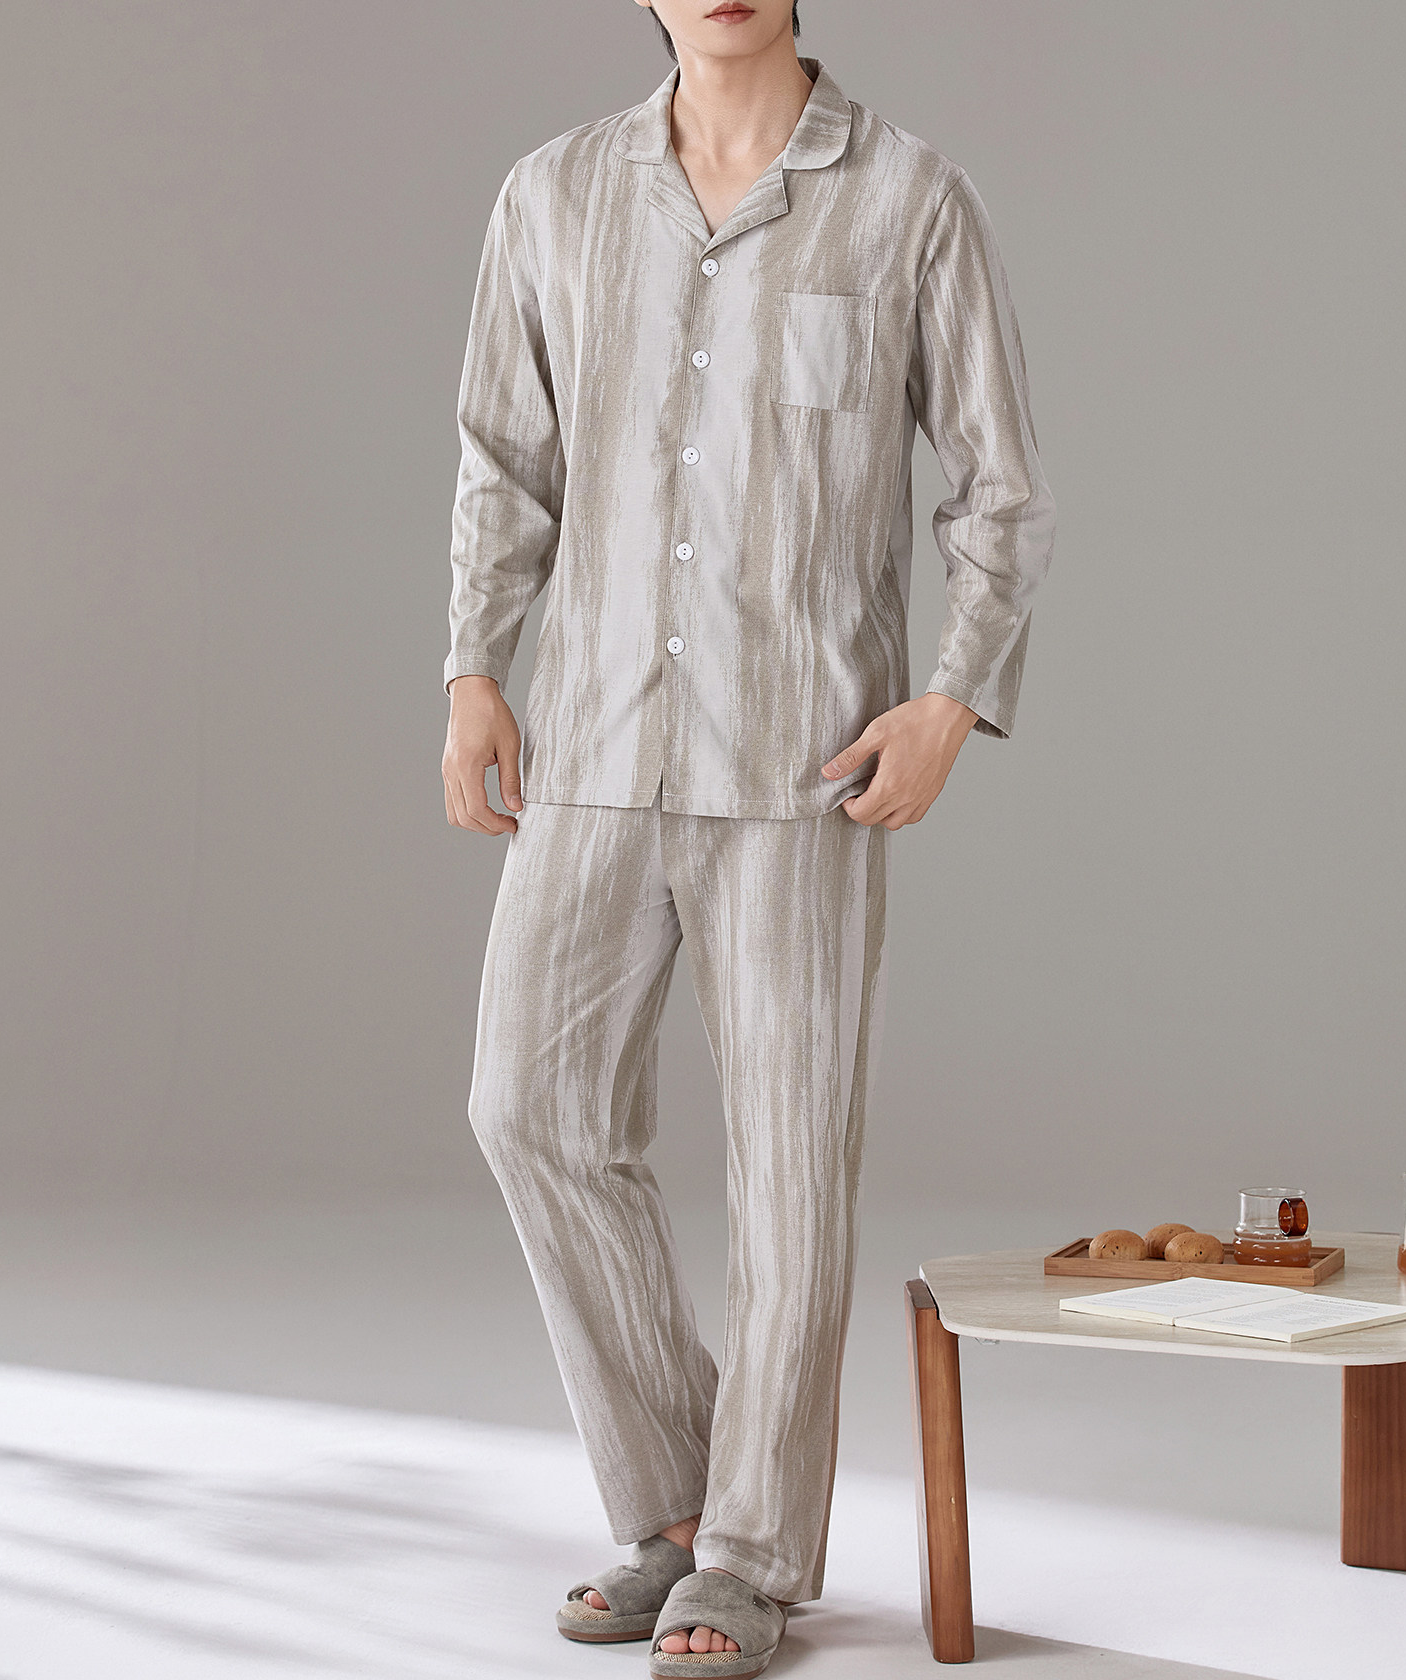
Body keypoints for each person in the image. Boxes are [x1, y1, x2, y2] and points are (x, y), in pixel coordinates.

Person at [442, 3, 1055, 1673]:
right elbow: (504, 462)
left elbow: (998, 487)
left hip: (804, 767)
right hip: (591, 747)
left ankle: (753, 1555)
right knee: (527, 1106)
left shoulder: (911, 198)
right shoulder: (552, 196)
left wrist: (951, 700)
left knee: (789, 1170)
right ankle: (671, 1508)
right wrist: (474, 671)